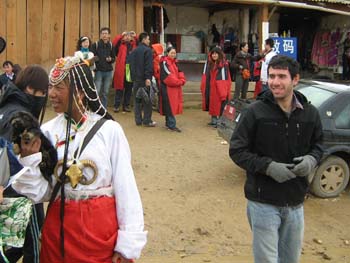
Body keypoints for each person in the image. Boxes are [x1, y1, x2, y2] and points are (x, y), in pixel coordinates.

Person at [10, 56, 147, 263]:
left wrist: (128, 244)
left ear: (80, 91)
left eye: (59, 87)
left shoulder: (109, 131)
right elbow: (43, 192)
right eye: (50, 87)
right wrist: (30, 159)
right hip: (58, 232)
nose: (52, 94)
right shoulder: (46, 132)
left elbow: (126, 188)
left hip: (100, 233)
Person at [229, 55, 323, 263]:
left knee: (291, 259)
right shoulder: (254, 112)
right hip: (263, 202)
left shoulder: (310, 114)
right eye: (271, 76)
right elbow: (237, 150)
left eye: (282, 76)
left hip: (296, 202)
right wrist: (268, 167)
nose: (275, 82)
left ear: (295, 79)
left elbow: (319, 146)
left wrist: (311, 160)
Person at [0, 65, 49, 263]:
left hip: (8, 188)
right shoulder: (21, 116)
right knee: (34, 243)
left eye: (42, 92)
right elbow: (7, 151)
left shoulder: (5, 107)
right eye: (32, 90)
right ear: (23, 86)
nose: (38, 96)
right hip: (20, 188)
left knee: (11, 242)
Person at [200, 47, 231, 127]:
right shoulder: (209, 64)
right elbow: (205, 76)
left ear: (219, 54)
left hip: (219, 88)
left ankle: (220, 122)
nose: (214, 55)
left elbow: (224, 79)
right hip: (211, 87)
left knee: (220, 105)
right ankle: (214, 120)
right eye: (213, 53)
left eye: (216, 53)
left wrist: (223, 92)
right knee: (212, 104)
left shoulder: (223, 65)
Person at [129, 32, 155, 127]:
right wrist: (148, 77)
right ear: (144, 39)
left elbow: (130, 65)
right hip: (144, 79)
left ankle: (138, 120)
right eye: (148, 39)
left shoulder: (134, 51)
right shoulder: (147, 50)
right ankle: (147, 120)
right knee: (147, 100)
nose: (149, 41)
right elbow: (148, 66)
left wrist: (133, 77)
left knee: (137, 100)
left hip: (136, 79)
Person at [159, 46, 186, 132]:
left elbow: (180, 72)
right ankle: (171, 125)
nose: (173, 54)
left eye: (174, 53)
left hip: (173, 88)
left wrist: (181, 80)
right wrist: (180, 82)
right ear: (167, 53)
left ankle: (169, 124)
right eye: (172, 53)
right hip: (168, 88)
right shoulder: (164, 62)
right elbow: (168, 77)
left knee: (170, 106)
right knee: (170, 106)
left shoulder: (174, 63)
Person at [112, 31, 137, 113]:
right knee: (119, 88)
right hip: (121, 68)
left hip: (129, 69)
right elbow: (113, 45)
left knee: (129, 88)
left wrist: (135, 36)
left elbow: (140, 44)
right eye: (125, 36)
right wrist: (120, 35)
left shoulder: (134, 44)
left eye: (129, 36)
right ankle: (116, 105)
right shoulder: (120, 44)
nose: (127, 37)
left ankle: (126, 105)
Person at [91, 27, 116, 108]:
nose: (104, 35)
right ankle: (96, 107)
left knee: (105, 92)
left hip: (108, 71)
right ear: (100, 35)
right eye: (103, 33)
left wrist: (110, 59)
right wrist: (96, 59)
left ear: (109, 35)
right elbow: (92, 56)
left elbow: (113, 58)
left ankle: (103, 108)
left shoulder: (111, 45)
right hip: (98, 71)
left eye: (106, 33)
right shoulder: (96, 45)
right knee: (97, 91)